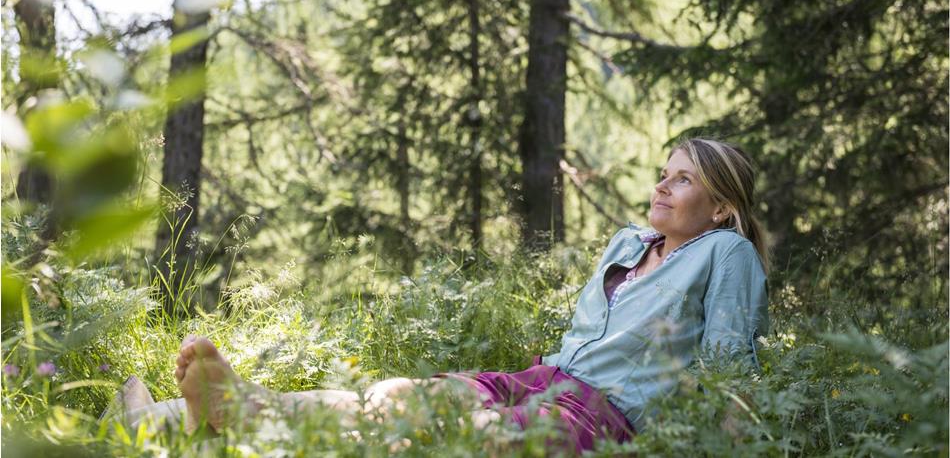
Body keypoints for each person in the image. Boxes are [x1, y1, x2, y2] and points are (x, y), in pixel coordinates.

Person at [109, 138, 769, 454]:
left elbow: (727, 369)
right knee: (396, 395)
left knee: (450, 435)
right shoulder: (628, 243)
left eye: (682, 181)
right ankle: (167, 418)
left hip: (605, 412)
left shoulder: (726, 252)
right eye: (662, 174)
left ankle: (236, 418)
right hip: (544, 378)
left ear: (719, 209)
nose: (661, 187)